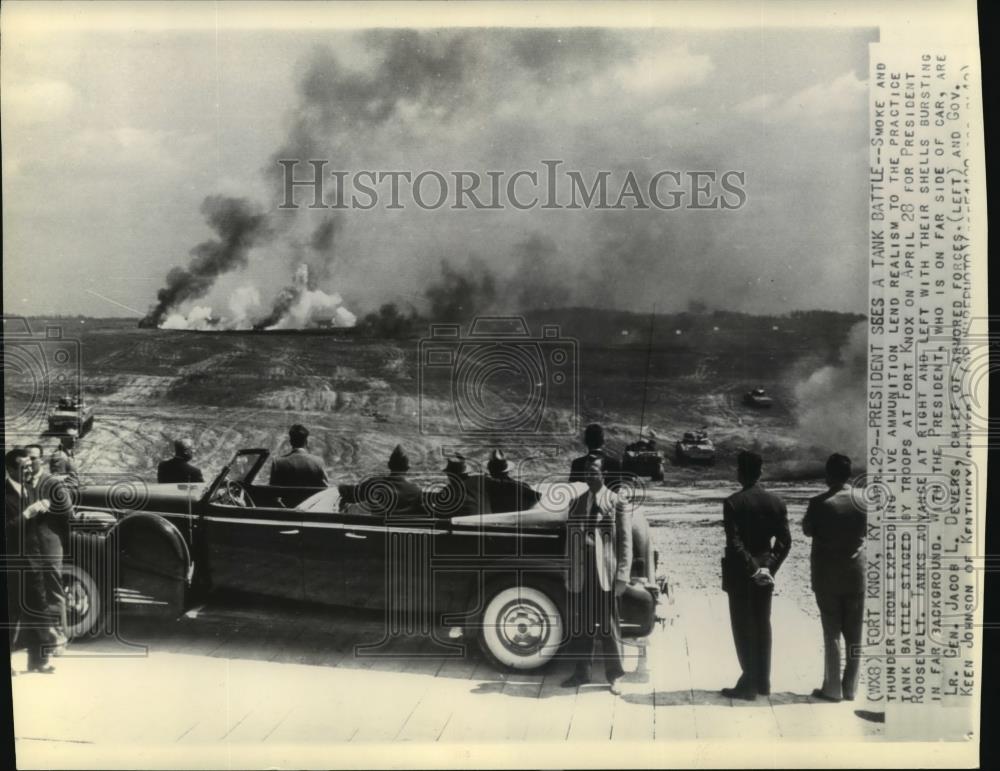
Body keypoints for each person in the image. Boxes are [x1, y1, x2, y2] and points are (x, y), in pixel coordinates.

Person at [720, 450, 791, 700]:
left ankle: (748, 684)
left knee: (743, 627)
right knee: (763, 624)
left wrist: (752, 569)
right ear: (761, 472)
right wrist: (767, 567)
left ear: (740, 473)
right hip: (766, 574)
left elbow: (735, 543)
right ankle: (763, 681)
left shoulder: (733, 503)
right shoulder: (777, 502)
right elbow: (785, 541)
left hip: (742, 574)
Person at [561, 461, 632, 695]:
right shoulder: (577, 502)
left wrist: (622, 576)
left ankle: (615, 676)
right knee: (584, 625)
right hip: (583, 573)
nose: (590, 477)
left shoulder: (615, 501)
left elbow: (625, 542)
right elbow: (570, 540)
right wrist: (568, 570)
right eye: (586, 474)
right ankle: (582, 673)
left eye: (594, 473)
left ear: (604, 474)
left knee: (609, 626)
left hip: (606, 575)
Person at [803, 453, 867, 702]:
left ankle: (831, 688)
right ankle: (850, 688)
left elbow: (808, 530)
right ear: (849, 474)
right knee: (855, 634)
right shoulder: (864, 500)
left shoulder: (819, 503)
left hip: (827, 575)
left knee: (832, 633)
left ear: (829, 474)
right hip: (856, 575)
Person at [20, 444, 75, 672]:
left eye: (33, 459)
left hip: (50, 543)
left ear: (41, 460)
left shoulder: (52, 483)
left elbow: (68, 512)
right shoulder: (21, 483)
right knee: (34, 593)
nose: (29, 462)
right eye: (26, 459)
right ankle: (40, 640)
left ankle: (59, 639)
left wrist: (49, 508)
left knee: (53, 590)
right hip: (29, 546)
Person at [4, 448, 31, 676]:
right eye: (24, 467)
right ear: (11, 469)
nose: (29, 470)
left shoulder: (28, 491)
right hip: (10, 562)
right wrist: (26, 515)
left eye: (30, 465)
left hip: (29, 562)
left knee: (22, 610)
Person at [355, 445, 422, 517]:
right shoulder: (416, 490)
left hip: (378, 526)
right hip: (403, 527)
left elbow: (353, 493)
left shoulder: (373, 483)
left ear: (389, 465)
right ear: (407, 468)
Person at [423, 454, 482, 518]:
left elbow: (441, 513)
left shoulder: (453, 489)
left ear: (449, 473)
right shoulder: (477, 482)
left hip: (462, 523)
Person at [569, 423, 623, 490]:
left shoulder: (577, 463)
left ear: (585, 441)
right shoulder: (615, 463)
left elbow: (573, 491)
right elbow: (616, 490)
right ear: (603, 441)